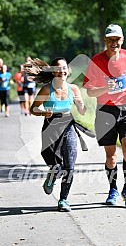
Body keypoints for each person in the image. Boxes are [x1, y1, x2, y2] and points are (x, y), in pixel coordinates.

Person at [83, 24, 126, 208]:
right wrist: (105, 88)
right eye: (110, 39)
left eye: (117, 39)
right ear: (105, 40)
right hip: (105, 111)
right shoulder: (96, 61)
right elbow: (89, 91)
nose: (114, 43)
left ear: (122, 40)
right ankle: (113, 188)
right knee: (111, 157)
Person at [24, 56, 93, 212]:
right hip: (50, 128)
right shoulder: (47, 90)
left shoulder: (73, 89)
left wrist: (81, 105)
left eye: (64, 68)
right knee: (56, 165)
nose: (62, 71)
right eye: (59, 68)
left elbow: (82, 112)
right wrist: (44, 113)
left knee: (69, 166)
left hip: (68, 125)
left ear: (67, 70)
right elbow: (33, 109)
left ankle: (63, 199)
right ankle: (52, 175)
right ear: (54, 72)